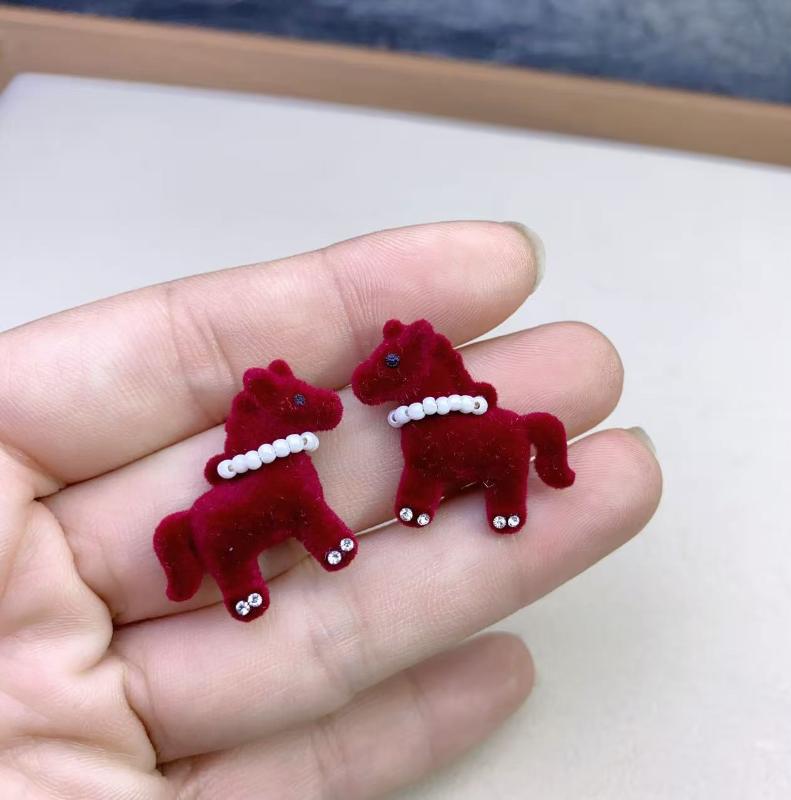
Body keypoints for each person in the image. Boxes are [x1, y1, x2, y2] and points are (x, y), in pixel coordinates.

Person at [0, 221, 661, 798]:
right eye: (302, 405)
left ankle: (500, 502)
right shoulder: (289, 467)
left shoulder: (351, 447)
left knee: (471, 469)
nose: (327, 405)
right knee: (273, 529)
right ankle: (248, 582)